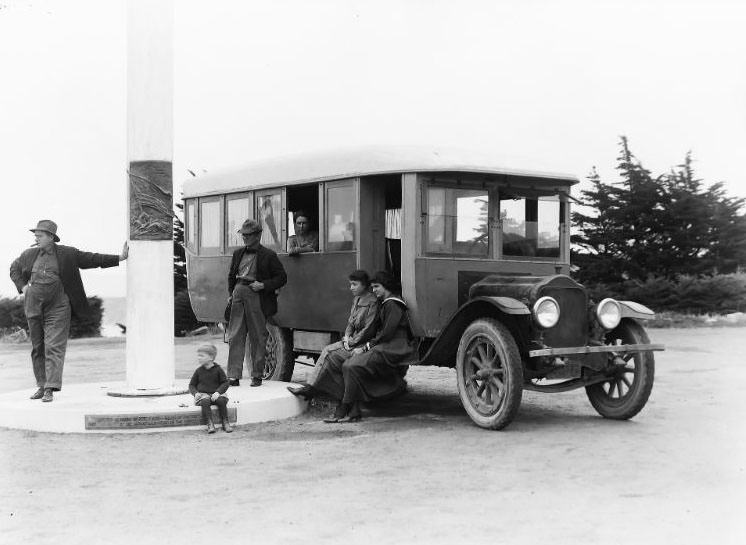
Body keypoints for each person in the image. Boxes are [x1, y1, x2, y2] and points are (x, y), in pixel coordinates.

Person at [9, 220, 129, 403]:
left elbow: (92, 258)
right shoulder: (28, 254)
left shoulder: (67, 254)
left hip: (58, 307)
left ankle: (50, 387)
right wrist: (23, 287)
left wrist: (118, 258)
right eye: (35, 235)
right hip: (34, 306)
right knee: (38, 347)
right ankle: (41, 385)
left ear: (51, 237)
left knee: (54, 346)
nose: (36, 238)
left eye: (39, 235)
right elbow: (14, 268)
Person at [313, 270, 418, 423]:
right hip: (385, 345)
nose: (374, 291)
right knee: (346, 364)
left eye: (376, 287)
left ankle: (345, 408)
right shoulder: (386, 303)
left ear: (386, 286)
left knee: (350, 366)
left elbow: (387, 334)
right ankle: (353, 411)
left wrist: (365, 347)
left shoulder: (393, 304)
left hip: (394, 346)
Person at [287, 269, 378, 400]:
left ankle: (310, 388)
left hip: (362, 343)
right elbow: (351, 323)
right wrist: (346, 337)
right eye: (350, 284)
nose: (351, 288)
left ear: (364, 285)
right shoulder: (357, 299)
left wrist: (351, 342)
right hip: (351, 341)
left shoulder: (372, 302)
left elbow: (368, 329)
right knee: (327, 352)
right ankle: (313, 389)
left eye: (355, 284)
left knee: (328, 351)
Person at [227, 218, 287, 387]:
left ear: (258, 235)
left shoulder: (269, 255)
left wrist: (263, 285)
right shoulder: (238, 253)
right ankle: (233, 375)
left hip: (256, 295)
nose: (245, 238)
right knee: (235, 335)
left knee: (258, 336)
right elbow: (231, 275)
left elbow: (282, 277)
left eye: (249, 235)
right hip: (239, 291)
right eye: (243, 235)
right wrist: (230, 293)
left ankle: (257, 375)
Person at [188, 343, 232, 434]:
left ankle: (225, 422)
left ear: (211, 357)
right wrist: (195, 393)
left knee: (221, 400)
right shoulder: (198, 371)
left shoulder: (218, 369)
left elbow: (225, 382)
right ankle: (209, 423)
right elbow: (191, 385)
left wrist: (218, 392)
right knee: (205, 401)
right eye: (198, 356)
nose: (199, 358)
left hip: (216, 394)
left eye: (202, 356)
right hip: (203, 396)